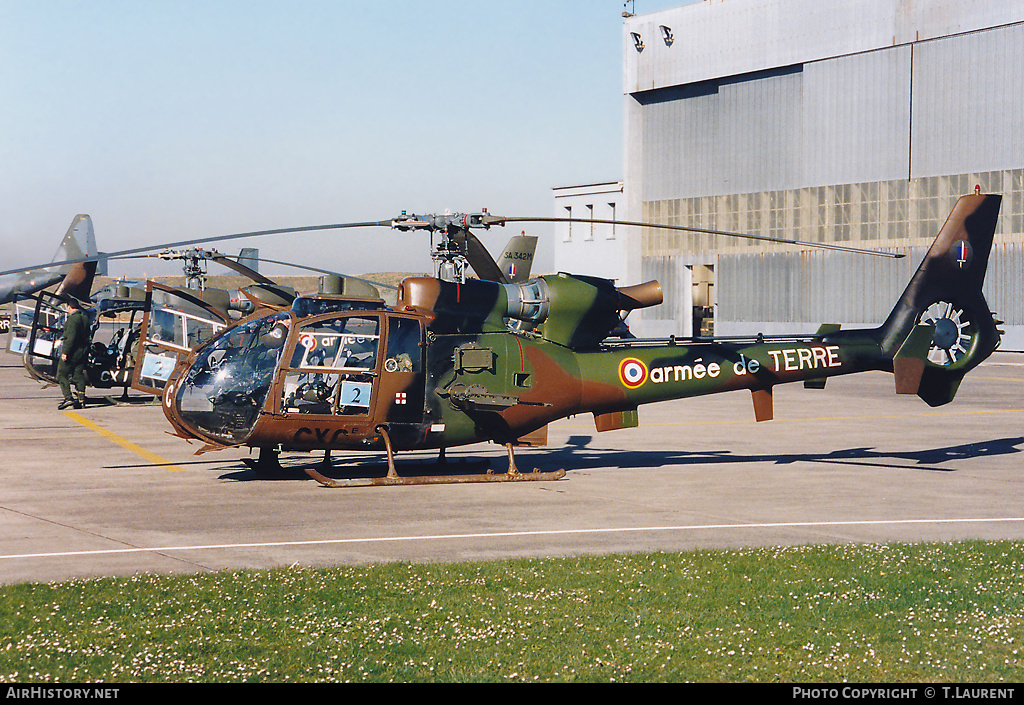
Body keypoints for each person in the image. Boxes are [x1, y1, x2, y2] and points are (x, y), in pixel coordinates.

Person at [57, 297, 89, 410]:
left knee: (61, 374)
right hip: (83, 351)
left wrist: (65, 352)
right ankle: (81, 400)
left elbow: (70, 338)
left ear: (69, 307)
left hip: (73, 352)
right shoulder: (85, 319)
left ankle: (68, 397)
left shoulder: (72, 320)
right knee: (78, 375)